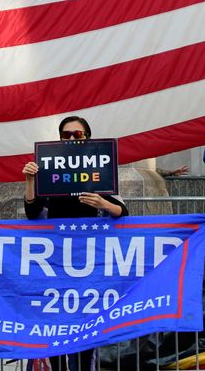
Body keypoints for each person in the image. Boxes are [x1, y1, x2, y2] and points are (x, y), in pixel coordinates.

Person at [22, 116, 128, 371]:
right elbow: (33, 212)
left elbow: (123, 212)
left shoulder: (100, 169)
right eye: (66, 135)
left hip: (89, 267)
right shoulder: (48, 169)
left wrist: (103, 204)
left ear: (87, 138)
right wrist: (29, 181)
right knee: (56, 327)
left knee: (86, 330)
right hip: (56, 265)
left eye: (77, 135)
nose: (71, 139)